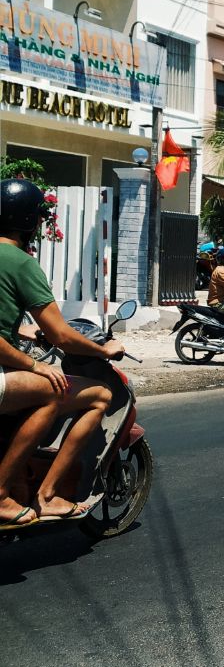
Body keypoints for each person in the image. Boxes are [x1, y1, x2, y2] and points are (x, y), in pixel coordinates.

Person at [0, 179, 124, 527]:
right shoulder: (20, 263)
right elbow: (62, 336)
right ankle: (43, 495)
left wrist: (21, 331)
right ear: (30, 221)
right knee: (87, 394)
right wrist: (103, 350)